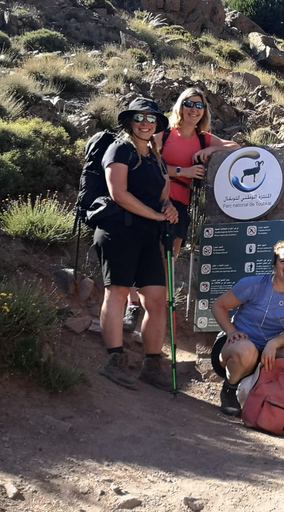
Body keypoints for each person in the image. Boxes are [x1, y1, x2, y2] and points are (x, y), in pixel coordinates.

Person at [122, 88, 240, 332]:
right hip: (152, 199)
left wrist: (213, 150)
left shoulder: (204, 139)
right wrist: (182, 172)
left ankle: (159, 310)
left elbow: (236, 147)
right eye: (189, 103)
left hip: (180, 206)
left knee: (168, 259)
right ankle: (133, 304)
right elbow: (144, 158)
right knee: (141, 251)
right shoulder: (163, 134)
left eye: (199, 105)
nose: (194, 109)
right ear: (180, 106)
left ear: (204, 111)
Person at [95, 97, 179, 390]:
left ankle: (152, 365)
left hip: (147, 234)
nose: (146, 122)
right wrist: (156, 214)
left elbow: (162, 194)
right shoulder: (119, 149)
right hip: (118, 230)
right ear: (130, 121)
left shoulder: (157, 158)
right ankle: (114, 361)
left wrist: (168, 208)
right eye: (140, 117)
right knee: (117, 292)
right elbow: (118, 193)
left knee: (157, 299)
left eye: (151, 118)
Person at [211, 240, 284, 416]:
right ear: (274, 265)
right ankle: (229, 389)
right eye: (283, 261)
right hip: (236, 346)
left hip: (268, 352)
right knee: (246, 349)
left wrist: (273, 344)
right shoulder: (254, 284)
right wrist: (231, 331)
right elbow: (218, 306)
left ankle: (269, 397)